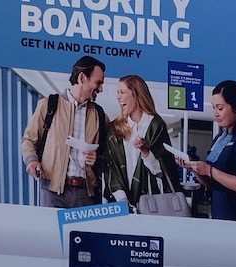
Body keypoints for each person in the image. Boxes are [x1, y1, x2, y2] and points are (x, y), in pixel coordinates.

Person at [21, 56, 108, 208]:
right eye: (98, 83)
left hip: (86, 195)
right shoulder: (48, 105)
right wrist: (32, 160)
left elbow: (109, 155)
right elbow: (29, 140)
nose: (101, 89)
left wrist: (97, 159)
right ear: (82, 78)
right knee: (51, 232)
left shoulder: (100, 115)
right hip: (52, 192)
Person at [179, 80, 236, 222]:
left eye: (220, 108)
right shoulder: (220, 138)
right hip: (220, 215)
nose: (216, 113)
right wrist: (195, 168)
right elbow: (213, 184)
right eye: (214, 108)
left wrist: (210, 170)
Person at [102, 74, 175, 211]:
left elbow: (163, 171)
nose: (118, 97)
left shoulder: (156, 126)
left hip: (152, 204)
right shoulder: (114, 129)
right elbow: (111, 168)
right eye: (117, 92)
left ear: (136, 94)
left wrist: (145, 152)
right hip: (120, 203)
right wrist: (122, 199)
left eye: (122, 92)